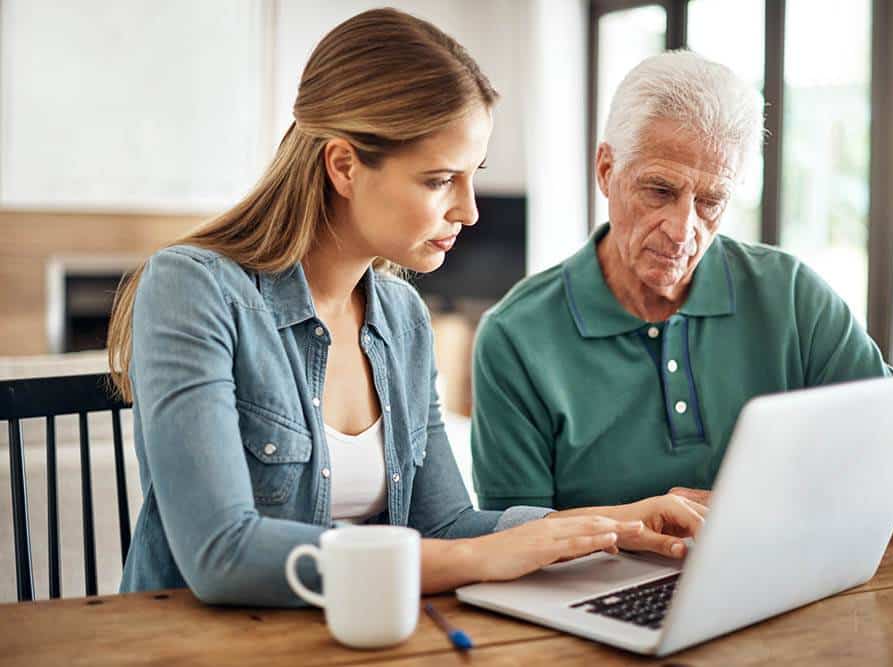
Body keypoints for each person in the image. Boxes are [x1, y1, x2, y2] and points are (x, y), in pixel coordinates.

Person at [106, 9, 705, 607]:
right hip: (194, 644)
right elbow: (222, 554)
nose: (469, 210)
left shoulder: (400, 316)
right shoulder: (194, 289)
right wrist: (477, 559)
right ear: (344, 166)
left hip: (354, 637)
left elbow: (444, 524)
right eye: (439, 180)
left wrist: (618, 522)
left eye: (471, 176)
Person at [471, 51, 893, 524]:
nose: (682, 230)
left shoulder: (793, 297)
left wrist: (739, 510)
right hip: (599, 581)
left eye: (711, 201)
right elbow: (511, 542)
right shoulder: (515, 337)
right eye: (660, 191)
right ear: (606, 170)